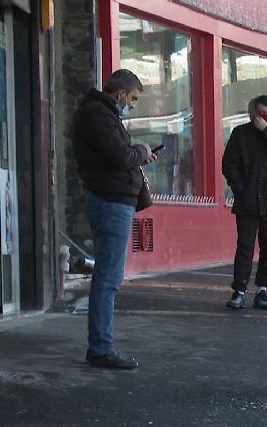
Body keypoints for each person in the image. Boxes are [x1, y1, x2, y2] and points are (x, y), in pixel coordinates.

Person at [71, 69, 157, 370]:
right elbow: (118, 157)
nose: (132, 105)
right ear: (120, 92)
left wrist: (138, 154)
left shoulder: (101, 115)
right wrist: (141, 151)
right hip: (111, 202)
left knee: (109, 278)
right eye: (132, 98)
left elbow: (118, 155)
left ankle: (101, 345)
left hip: (113, 201)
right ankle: (100, 348)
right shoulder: (98, 114)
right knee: (108, 279)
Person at [222, 95, 267, 310]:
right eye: (261, 113)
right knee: (245, 247)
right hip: (248, 200)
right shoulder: (241, 133)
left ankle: (262, 289)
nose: (265, 117)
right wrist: (241, 189)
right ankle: (239, 290)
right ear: (253, 112)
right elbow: (229, 164)